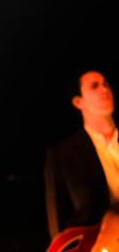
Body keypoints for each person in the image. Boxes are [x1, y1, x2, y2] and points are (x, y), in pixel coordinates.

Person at [45, 70, 119, 248]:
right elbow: (60, 230)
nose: (104, 89)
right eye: (95, 86)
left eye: (106, 84)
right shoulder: (62, 154)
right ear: (78, 102)